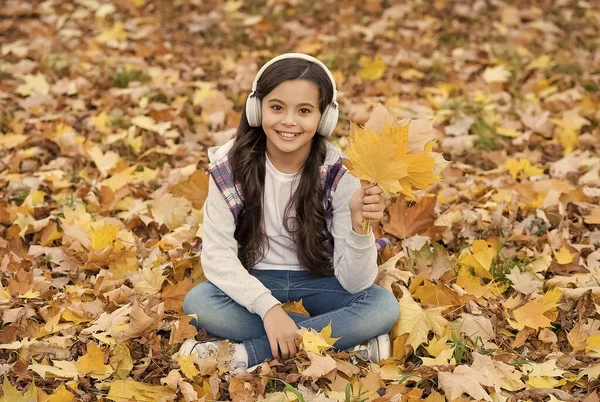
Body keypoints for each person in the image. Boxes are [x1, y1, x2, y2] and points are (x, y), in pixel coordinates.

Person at [178, 53, 400, 373]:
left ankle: (251, 353)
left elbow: (355, 283)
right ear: (257, 109)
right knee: (199, 303)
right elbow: (217, 257)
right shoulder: (229, 168)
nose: (289, 121)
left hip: (319, 283)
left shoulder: (340, 174)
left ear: (324, 118)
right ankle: (347, 346)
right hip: (253, 281)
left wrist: (358, 227)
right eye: (277, 107)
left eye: (305, 111)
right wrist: (269, 310)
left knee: (381, 307)